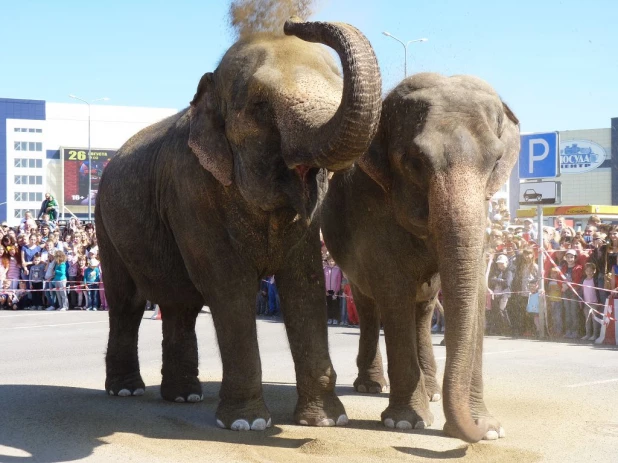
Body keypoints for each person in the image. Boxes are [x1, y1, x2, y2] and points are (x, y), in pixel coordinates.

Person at [487, 254, 512, 335]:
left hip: (504, 294)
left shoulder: (509, 272)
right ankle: (499, 328)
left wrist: (497, 280)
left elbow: (507, 283)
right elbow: (491, 280)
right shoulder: (497, 272)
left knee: (502, 310)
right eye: (499, 263)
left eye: (502, 263)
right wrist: (499, 280)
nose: (500, 265)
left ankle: (507, 328)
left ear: (506, 263)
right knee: (497, 312)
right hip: (496, 294)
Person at [561, 249, 583, 339]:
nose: (570, 259)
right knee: (567, 313)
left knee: (574, 313)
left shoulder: (579, 268)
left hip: (574, 293)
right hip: (565, 293)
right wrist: (562, 285)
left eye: (572, 257)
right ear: (565, 258)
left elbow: (577, 281)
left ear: (575, 258)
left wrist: (567, 286)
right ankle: (568, 331)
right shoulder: (564, 268)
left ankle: (575, 331)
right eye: (568, 257)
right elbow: (559, 278)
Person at [581, 262, 601, 342]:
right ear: (585, 271)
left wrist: (599, 301)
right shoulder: (583, 280)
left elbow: (598, 291)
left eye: (591, 270)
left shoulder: (595, 280)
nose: (589, 272)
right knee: (587, 319)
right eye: (587, 270)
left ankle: (595, 335)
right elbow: (581, 292)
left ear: (594, 271)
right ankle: (588, 334)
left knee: (594, 319)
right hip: (586, 303)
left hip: (594, 302)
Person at [323, 257, 342, 325]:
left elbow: (338, 281)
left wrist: (336, 292)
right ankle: (329, 318)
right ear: (327, 262)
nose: (331, 263)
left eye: (332, 261)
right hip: (327, 291)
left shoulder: (338, 270)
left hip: (335, 291)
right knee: (329, 305)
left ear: (335, 262)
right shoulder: (325, 269)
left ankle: (335, 319)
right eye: (329, 261)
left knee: (335, 305)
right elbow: (324, 280)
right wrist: (325, 291)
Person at [546, 267, 563, 338]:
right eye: (552, 273)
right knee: (553, 317)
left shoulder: (559, 282)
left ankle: (559, 331)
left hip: (558, 301)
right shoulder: (549, 282)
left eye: (555, 273)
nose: (553, 275)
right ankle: (554, 330)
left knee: (558, 316)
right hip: (551, 301)